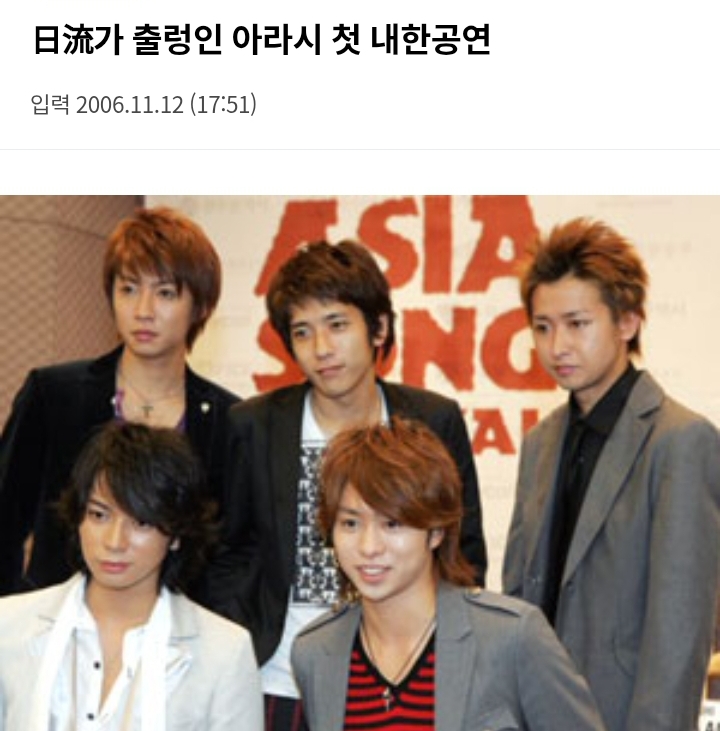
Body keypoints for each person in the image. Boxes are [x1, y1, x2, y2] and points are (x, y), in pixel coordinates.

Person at [206, 240, 486, 731]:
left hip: (400, 675)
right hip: (280, 680)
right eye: (302, 332)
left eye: (337, 325)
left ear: (378, 328)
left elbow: (463, 552)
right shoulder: (253, 426)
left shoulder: (432, 419)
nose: (321, 348)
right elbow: (225, 553)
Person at [502, 218, 720, 731]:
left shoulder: (681, 440)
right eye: (542, 327)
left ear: (627, 322)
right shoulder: (539, 443)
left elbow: (680, 632)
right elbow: (518, 599)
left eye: (577, 324)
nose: (557, 346)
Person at [291, 418, 606, 730]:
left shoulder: (511, 637)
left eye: (392, 524)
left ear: (436, 531)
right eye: (350, 523)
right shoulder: (315, 652)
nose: (368, 546)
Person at [0, 206, 239, 594]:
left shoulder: (230, 420)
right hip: (58, 618)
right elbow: (5, 519)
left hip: (177, 624)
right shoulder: (53, 394)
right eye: (128, 289)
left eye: (165, 293)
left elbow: (231, 552)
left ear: (200, 306)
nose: (143, 311)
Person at [0, 421, 263, 730]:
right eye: (99, 515)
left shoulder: (225, 651)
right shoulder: (9, 625)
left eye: (141, 522)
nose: (115, 542)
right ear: (78, 518)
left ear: (176, 533)